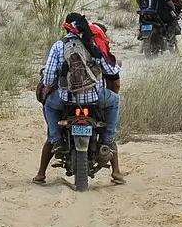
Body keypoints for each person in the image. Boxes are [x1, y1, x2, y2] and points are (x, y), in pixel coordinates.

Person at [33, 13, 123, 183]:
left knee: (50, 107)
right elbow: (111, 71)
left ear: (66, 27)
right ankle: (108, 142)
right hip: (94, 98)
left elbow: (50, 78)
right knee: (114, 101)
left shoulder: (59, 46)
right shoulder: (93, 44)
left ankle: (55, 145)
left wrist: (52, 84)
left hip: (66, 99)